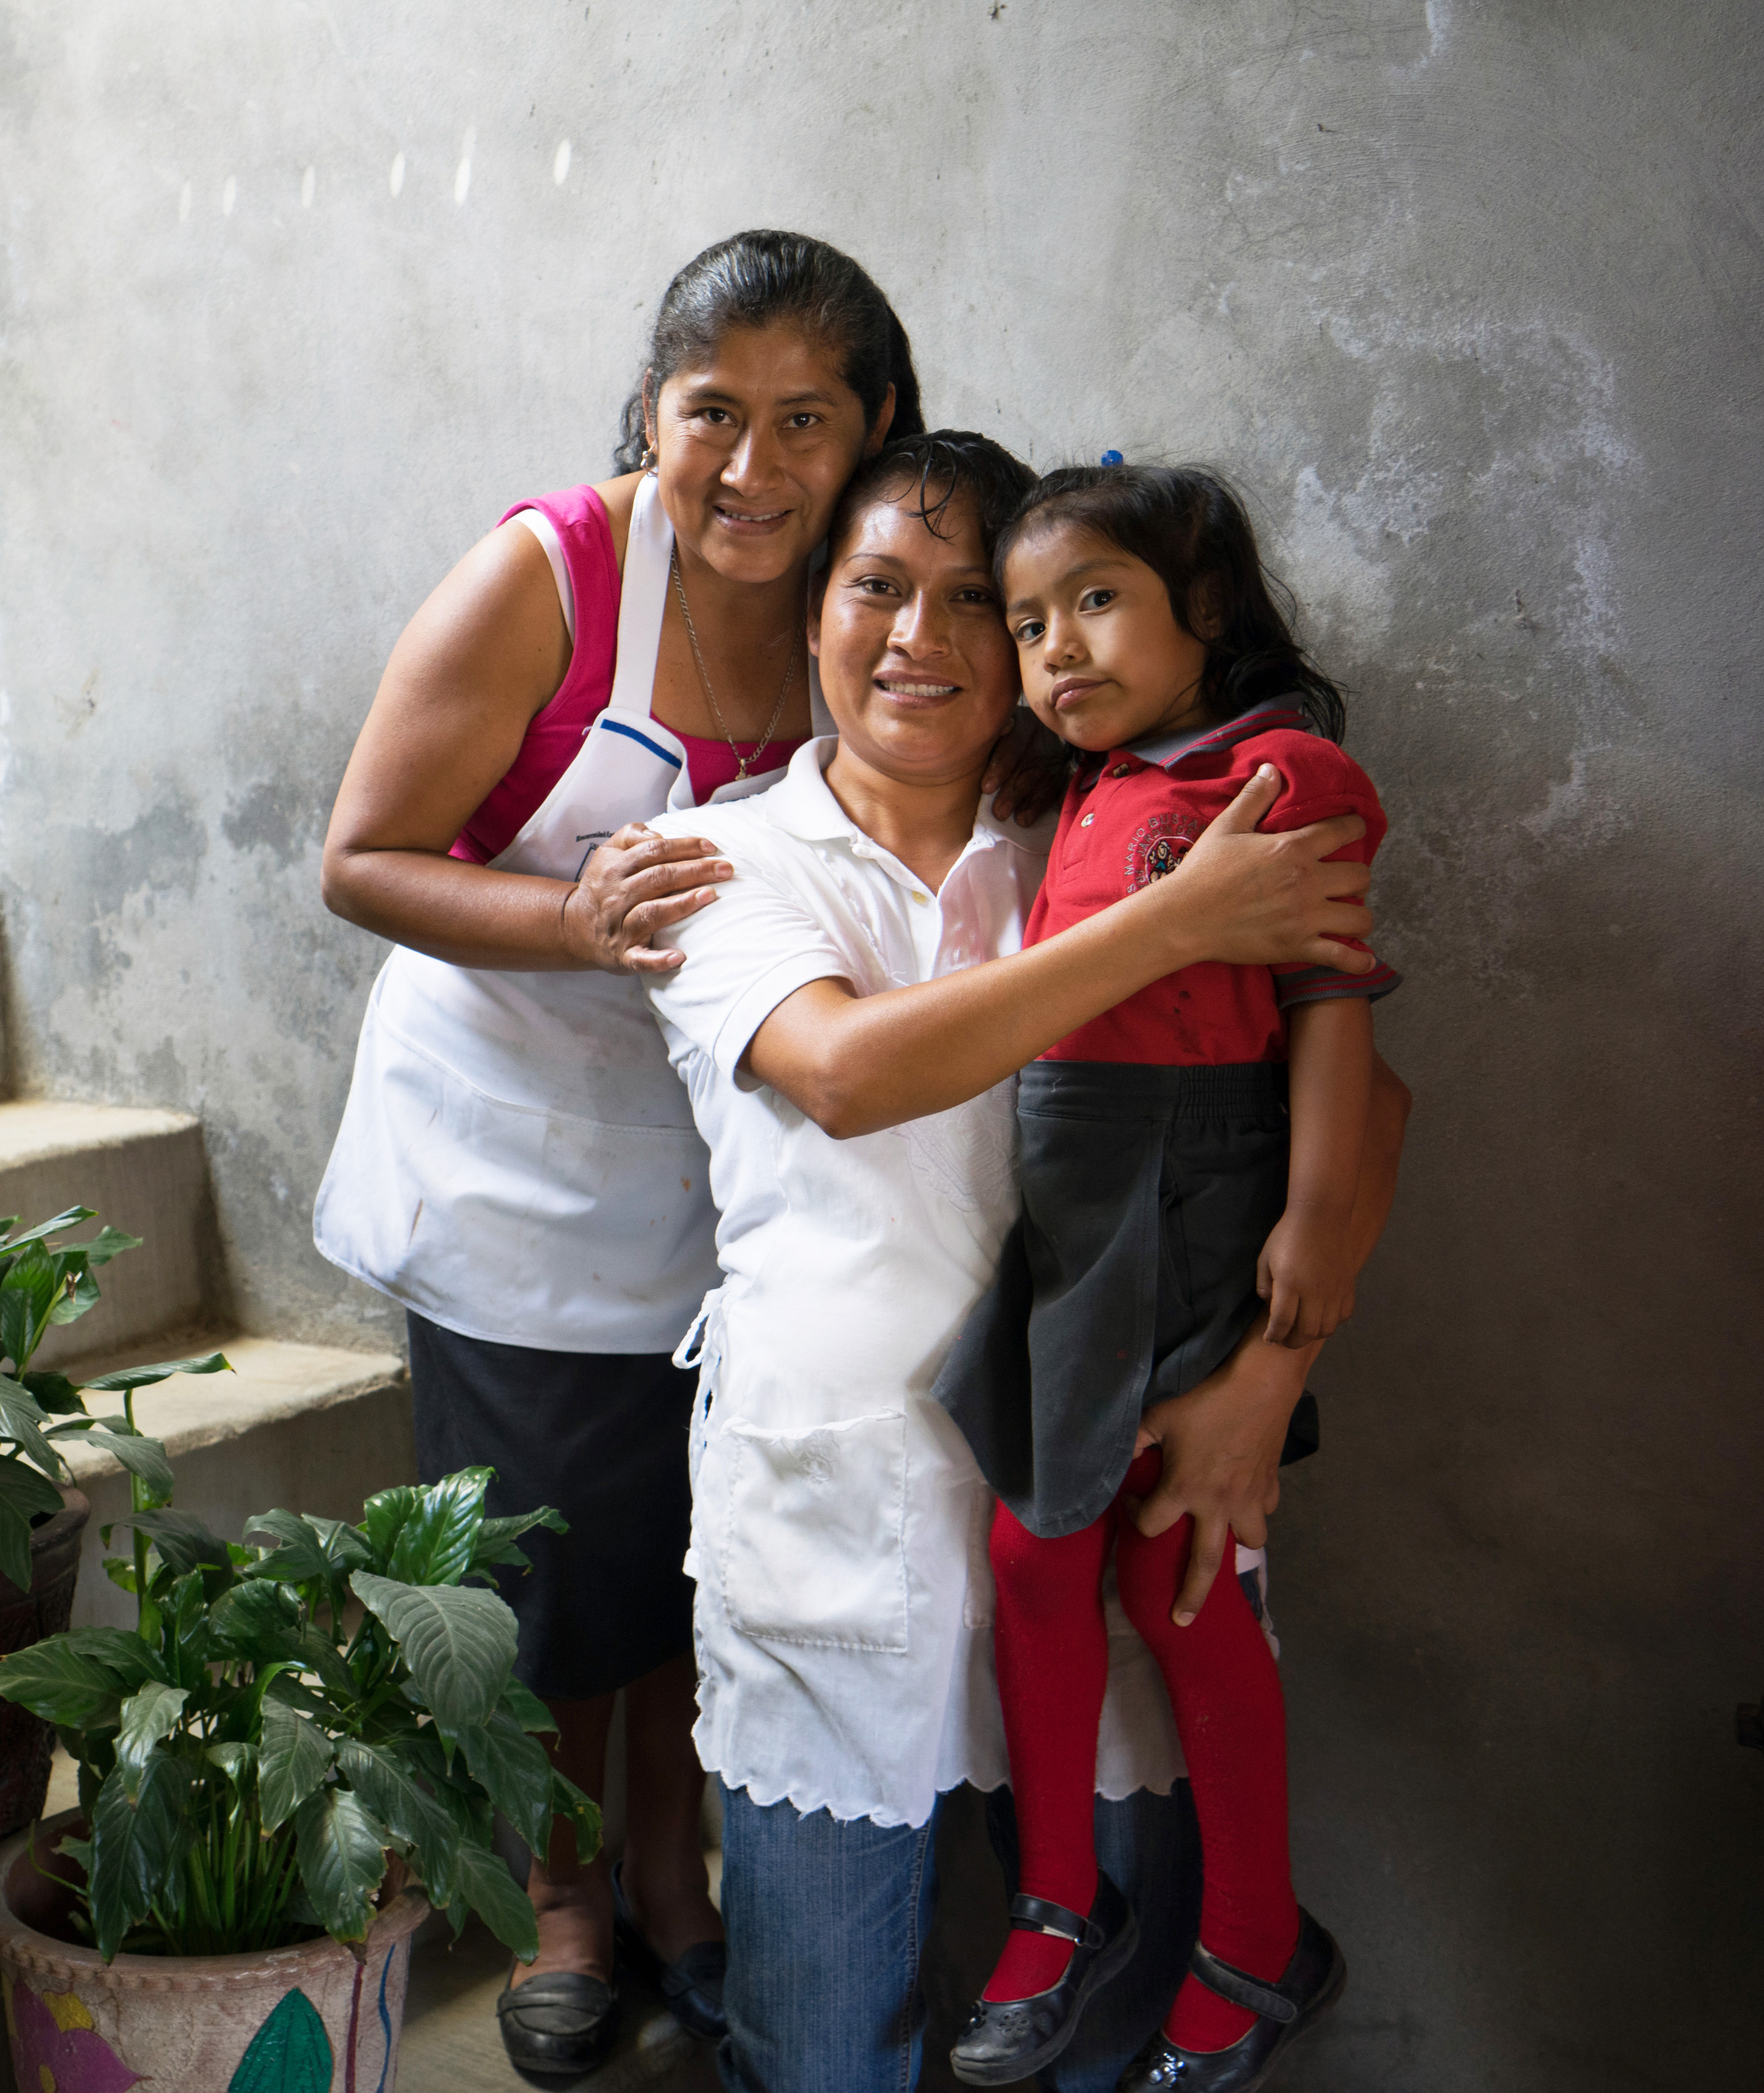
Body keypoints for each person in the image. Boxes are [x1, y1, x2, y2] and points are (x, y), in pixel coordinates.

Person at [636, 433, 1407, 2092]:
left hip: (1132, 1475)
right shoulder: (719, 861)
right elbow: (846, 1073)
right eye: (877, 589)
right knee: (826, 2055)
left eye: (978, 601)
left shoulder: (1123, 819)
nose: (923, 637)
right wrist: (1183, 921)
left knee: (1101, 2052)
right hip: (841, 1543)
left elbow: (1364, 1094)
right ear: (815, 612)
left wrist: (1271, 1381)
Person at [315, 229, 931, 2074]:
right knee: (540, 1583)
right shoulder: (553, 578)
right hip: (514, 1162)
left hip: (728, 1162)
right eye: (711, 416)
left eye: (806, 421)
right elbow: (362, 857)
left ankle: (684, 1884)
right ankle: (560, 1899)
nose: (752, 471)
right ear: (651, 413)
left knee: (689, 1558)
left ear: (878, 422)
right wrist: (570, 921)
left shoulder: (871, 587)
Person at [940, 463, 1398, 2088]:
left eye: (1097, 602)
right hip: (1074, 1225)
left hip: (1195, 1209)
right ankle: (1058, 1899)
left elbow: (1338, 1018)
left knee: (1175, 1575)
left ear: (1204, 613)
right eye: (1029, 621)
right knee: (1039, 1552)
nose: (1056, 648)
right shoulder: (1079, 796)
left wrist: (1311, 1234)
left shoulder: (1275, 773)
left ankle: (1255, 1939)